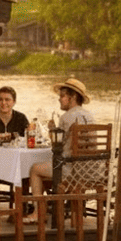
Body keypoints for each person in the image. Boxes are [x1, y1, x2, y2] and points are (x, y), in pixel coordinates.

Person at [26, 77, 96, 220]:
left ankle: (38, 212)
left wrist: (52, 131)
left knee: (34, 169)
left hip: (71, 170)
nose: (59, 99)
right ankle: (60, 206)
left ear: (73, 97)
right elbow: (92, 144)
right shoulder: (89, 116)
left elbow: (58, 148)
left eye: (63, 96)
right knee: (45, 165)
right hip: (89, 169)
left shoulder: (66, 117)